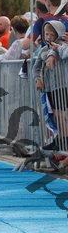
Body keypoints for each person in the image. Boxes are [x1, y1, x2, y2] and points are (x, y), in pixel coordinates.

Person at [33, 21, 68, 152]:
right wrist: (38, 79)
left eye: (51, 35)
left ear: (58, 34)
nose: (48, 37)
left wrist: (54, 51)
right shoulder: (43, 49)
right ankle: (60, 139)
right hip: (49, 87)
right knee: (54, 115)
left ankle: (64, 140)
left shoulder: (62, 46)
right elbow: (36, 67)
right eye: (46, 34)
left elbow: (63, 53)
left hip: (62, 86)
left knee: (61, 114)